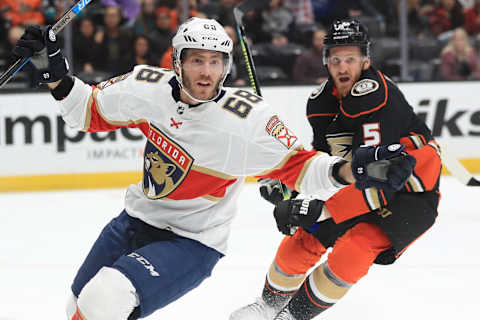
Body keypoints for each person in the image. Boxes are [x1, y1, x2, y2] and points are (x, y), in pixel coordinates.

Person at [11, 17, 415, 320]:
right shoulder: (145, 87)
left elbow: (304, 168)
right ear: (177, 62)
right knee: (77, 307)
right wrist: (54, 68)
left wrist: (355, 169)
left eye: (216, 62)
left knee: (105, 297)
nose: (207, 72)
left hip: (191, 242)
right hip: (133, 221)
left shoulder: (246, 119)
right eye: (197, 60)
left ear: (227, 66)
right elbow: (89, 110)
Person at [230, 19, 442, 320]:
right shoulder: (320, 103)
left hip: (409, 194)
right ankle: (267, 308)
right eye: (336, 59)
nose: (343, 68)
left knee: (354, 249)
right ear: (325, 60)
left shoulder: (377, 97)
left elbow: (378, 179)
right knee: (303, 239)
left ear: (365, 60)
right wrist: (286, 184)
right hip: (357, 186)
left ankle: (292, 317)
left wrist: (319, 208)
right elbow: (323, 163)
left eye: (351, 59)